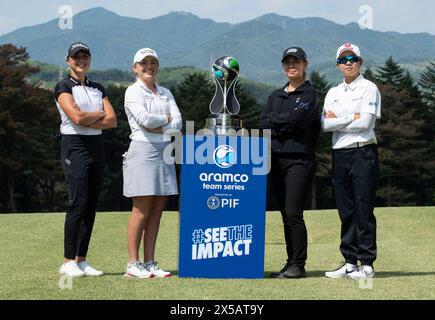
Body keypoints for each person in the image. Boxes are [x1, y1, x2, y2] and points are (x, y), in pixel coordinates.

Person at [55, 42, 117, 277]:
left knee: (91, 204)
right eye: (76, 57)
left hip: (96, 146)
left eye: (85, 56)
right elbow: (76, 117)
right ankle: (68, 260)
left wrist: (92, 116)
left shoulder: (97, 87)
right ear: (68, 60)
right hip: (74, 146)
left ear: (89, 59)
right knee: (78, 202)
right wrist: (97, 113)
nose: (81, 60)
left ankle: (82, 259)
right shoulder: (63, 86)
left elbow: (112, 120)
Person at [259, 47, 321, 278]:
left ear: (305, 64)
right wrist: (281, 122)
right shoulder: (275, 95)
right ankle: (290, 263)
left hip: (299, 161)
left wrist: (277, 122)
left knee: (294, 213)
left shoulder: (310, 94)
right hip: (275, 160)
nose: (291, 66)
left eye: (296, 61)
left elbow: (298, 121)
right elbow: (263, 122)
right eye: (287, 62)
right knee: (285, 214)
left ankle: (299, 265)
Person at [322, 43, 381, 280]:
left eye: (352, 58)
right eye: (343, 60)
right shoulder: (333, 92)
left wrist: (340, 120)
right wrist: (351, 116)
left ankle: (366, 263)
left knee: (363, 207)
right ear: (338, 64)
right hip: (340, 154)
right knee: (346, 209)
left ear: (360, 61)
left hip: (363, 152)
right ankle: (349, 262)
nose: (348, 63)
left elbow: (365, 123)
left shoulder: (369, 88)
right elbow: (326, 124)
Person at [122, 48, 182, 278]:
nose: (149, 66)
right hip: (144, 150)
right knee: (141, 209)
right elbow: (145, 121)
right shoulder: (132, 91)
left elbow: (178, 122)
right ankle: (132, 264)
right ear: (135, 68)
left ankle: (149, 262)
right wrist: (167, 120)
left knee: (157, 210)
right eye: (143, 63)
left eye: (153, 62)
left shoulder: (165, 92)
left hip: (166, 150)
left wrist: (164, 123)